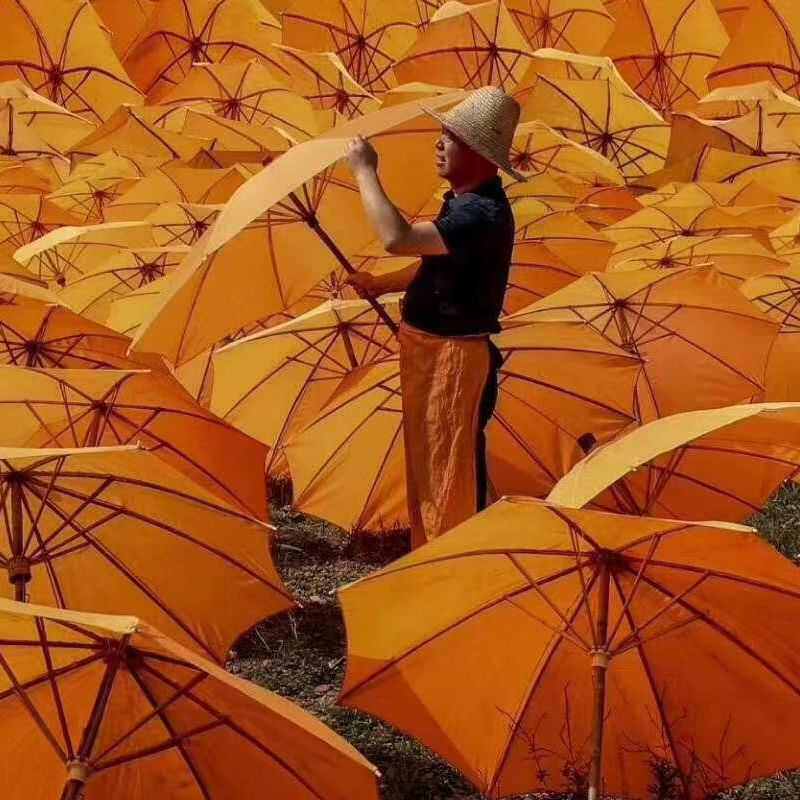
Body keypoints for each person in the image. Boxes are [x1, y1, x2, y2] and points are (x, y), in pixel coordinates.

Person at [345, 86, 523, 548]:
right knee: (430, 461)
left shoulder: (481, 213)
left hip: (452, 360)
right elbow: (436, 259)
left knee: (448, 471)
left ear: (480, 154)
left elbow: (397, 238)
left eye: (451, 137)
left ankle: (450, 562)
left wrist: (365, 172)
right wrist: (384, 285)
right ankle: (432, 552)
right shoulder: (465, 204)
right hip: (431, 352)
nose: (438, 145)